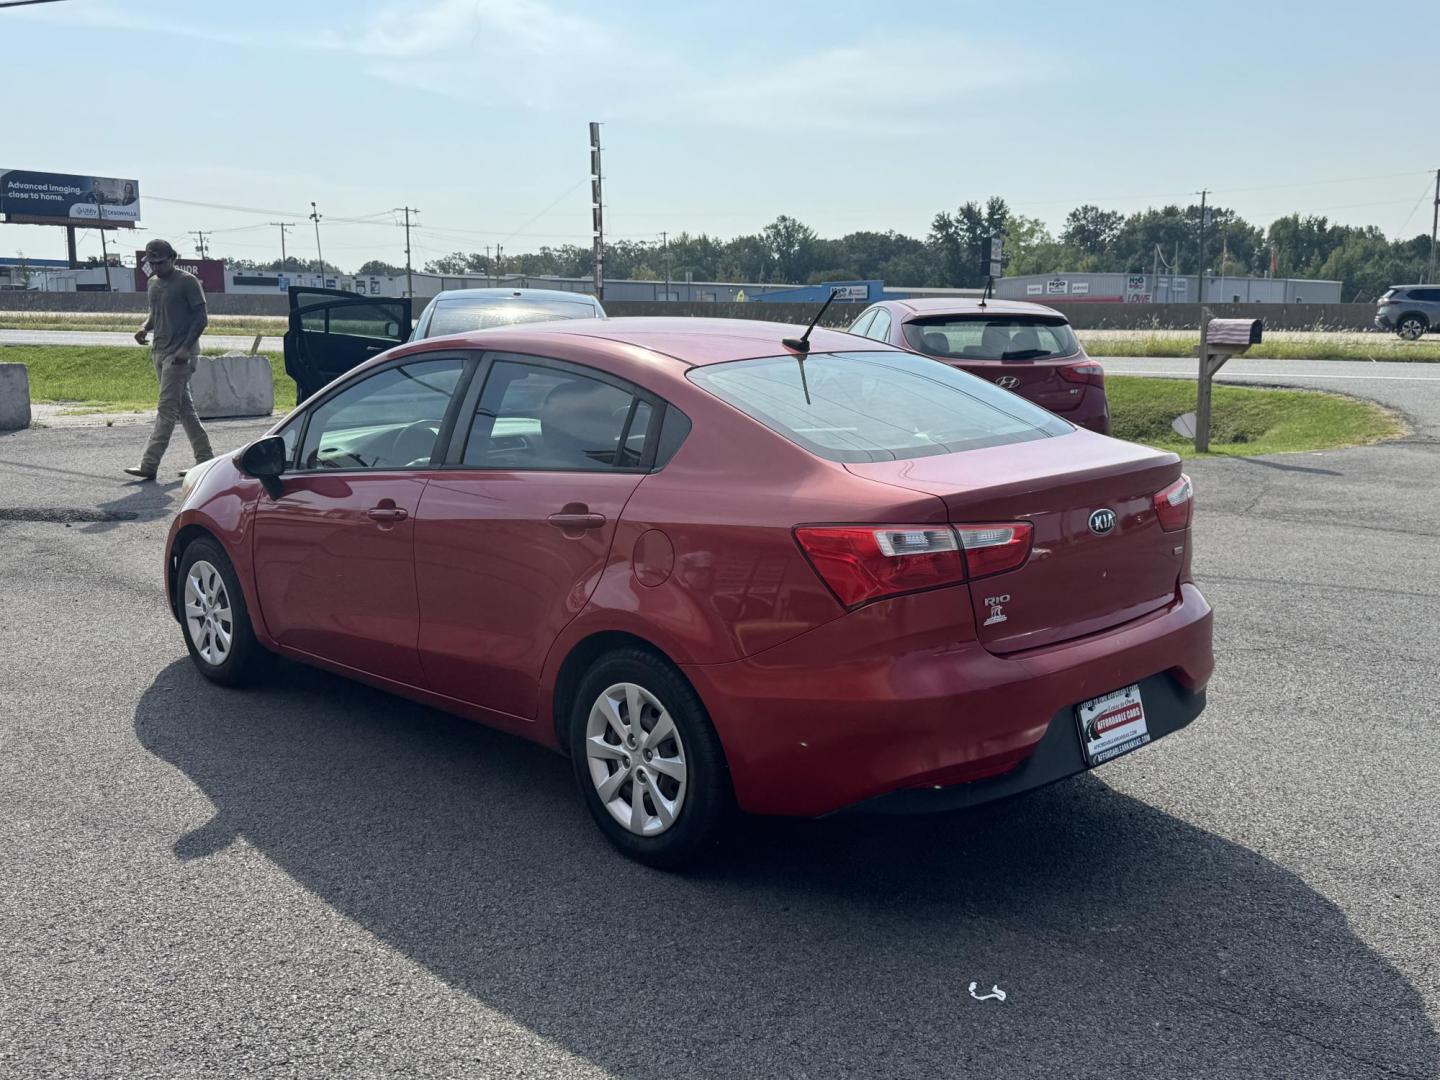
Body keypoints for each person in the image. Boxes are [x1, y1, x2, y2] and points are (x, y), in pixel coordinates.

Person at [125, 239, 213, 479]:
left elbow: (201, 318)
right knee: (184, 409)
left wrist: (185, 349)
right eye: (152, 263)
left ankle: (149, 464)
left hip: (180, 356)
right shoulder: (153, 283)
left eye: (161, 262)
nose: (156, 267)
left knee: (166, 409)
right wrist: (144, 328)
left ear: (173, 258)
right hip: (159, 352)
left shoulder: (187, 282)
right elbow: (155, 313)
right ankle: (206, 461)